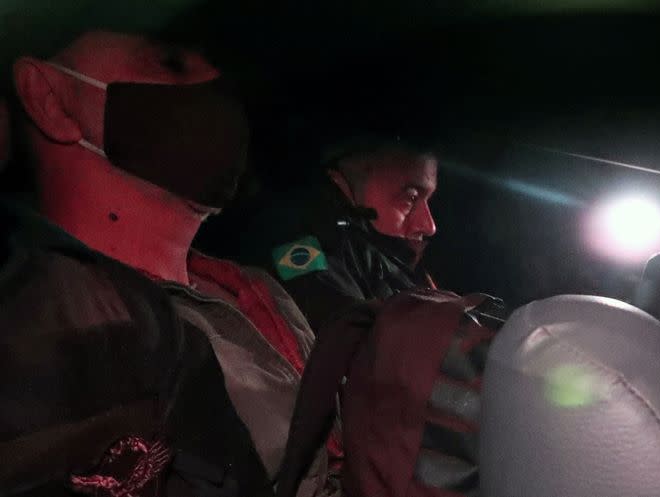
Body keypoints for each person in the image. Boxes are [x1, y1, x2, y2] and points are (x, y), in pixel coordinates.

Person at [10, 30, 337, 496]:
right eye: (171, 64)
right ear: (51, 101)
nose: (220, 101)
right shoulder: (45, 338)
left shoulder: (255, 287)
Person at [252, 137, 439, 332]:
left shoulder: (390, 267)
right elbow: (352, 340)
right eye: (410, 198)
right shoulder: (299, 245)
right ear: (340, 183)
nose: (429, 226)